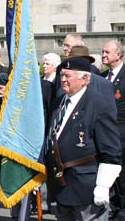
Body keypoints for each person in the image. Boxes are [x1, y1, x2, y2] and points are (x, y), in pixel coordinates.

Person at [46, 56, 122, 220]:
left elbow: (110, 149)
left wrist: (103, 185)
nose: (63, 80)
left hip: (86, 187)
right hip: (62, 185)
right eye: (62, 75)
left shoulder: (99, 104)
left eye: (68, 76)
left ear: (85, 79)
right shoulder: (59, 102)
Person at [101, 40, 125, 220]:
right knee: (110, 176)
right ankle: (113, 206)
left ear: (119, 55)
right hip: (106, 137)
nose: (103, 55)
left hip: (122, 135)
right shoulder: (102, 77)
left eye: (107, 52)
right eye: (102, 52)